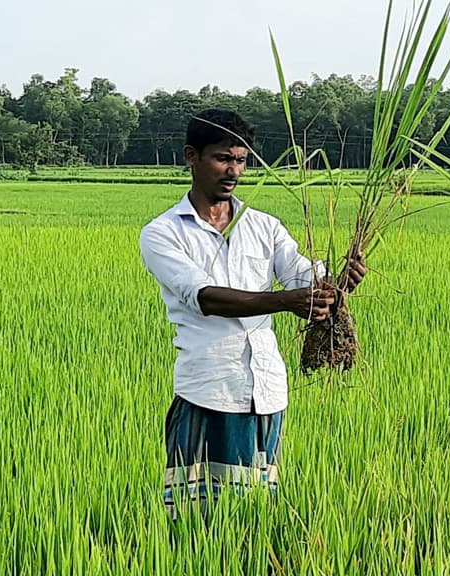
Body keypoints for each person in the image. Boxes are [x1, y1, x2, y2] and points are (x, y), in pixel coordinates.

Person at [138, 109, 367, 516]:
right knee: (197, 521)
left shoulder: (263, 226)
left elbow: (303, 278)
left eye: (241, 160)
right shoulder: (164, 233)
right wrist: (285, 302)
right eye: (222, 158)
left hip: (267, 392)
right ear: (192, 156)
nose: (233, 170)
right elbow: (205, 297)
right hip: (209, 391)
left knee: (255, 515)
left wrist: (339, 280)